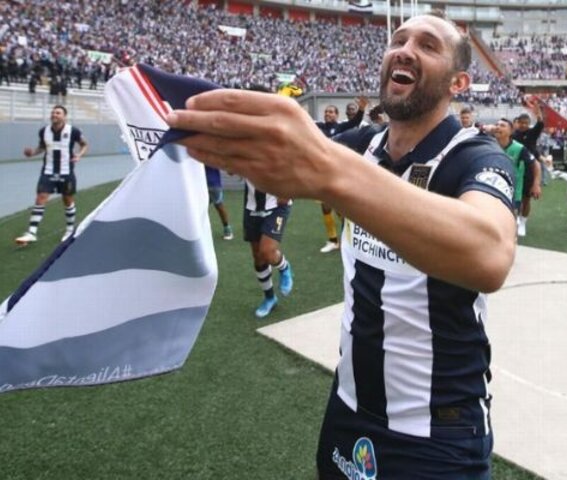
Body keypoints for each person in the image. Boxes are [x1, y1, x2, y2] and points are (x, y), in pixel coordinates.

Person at [167, 12, 516, 479]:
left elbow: (490, 255)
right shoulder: (362, 146)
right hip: (349, 406)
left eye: (428, 45)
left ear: (459, 83)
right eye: (398, 40)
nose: (405, 50)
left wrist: (331, 170)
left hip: (436, 430)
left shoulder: (474, 156)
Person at [15, 105, 89, 245]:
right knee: (41, 197)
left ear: (64, 116)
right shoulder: (43, 131)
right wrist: (32, 153)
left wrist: (79, 155)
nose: (54, 115)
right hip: (48, 171)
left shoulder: (73, 131)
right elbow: (42, 147)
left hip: (66, 171)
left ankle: (69, 230)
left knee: (67, 200)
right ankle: (31, 232)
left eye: (58, 113)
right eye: (53, 112)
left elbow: (84, 144)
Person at [316, 98, 367, 253]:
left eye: (331, 112)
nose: (327, 114)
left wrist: (361, 109)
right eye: (326, 111)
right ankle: (334, 240)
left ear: (337, 115)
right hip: (323, 171)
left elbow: (355, 122)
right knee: (326, 207)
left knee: (340, 207)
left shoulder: (340, 127)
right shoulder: (318, 127)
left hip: (338, 171)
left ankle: (349, 236)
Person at [242, 178, 294, 318]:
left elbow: (295, 166)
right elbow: (232, 170)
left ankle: (284, 267)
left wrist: (288, 190)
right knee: (258, 257)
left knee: (267, 252)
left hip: (277, 205)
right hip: (251, 206)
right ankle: (270, 298)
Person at [493, 118, 541, 233]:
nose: (498, 127)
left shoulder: (519, 148)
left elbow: (536, 164)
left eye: (502, 125)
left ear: (511, 131)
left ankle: (519, 226)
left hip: (513, 192)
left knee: (510, 224)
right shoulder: (489, 144)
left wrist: (536, 184)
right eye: (497, 125)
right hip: (493, 188)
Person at [513, 97, 544, 236]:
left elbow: (541, 123)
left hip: (530, 169)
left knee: (526, 198)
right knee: (515, 197)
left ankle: (523, 222)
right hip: (515, 168)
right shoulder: (513, 135)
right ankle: (515, 219)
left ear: (529, 124)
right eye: (521, 123)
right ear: (517, 123)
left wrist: (537, 111)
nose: (524, 125)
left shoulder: (532, 133)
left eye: (526, 123)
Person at [205, 165, 234, 240]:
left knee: (219, 206)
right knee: (200, 209)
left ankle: (227, 229)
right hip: (199, 185)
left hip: (213, 184)